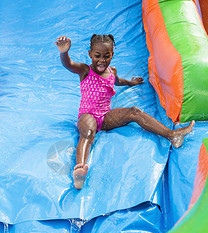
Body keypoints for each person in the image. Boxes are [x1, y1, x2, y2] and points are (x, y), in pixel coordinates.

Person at [55, 34, 195, 190]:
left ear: (112, 55)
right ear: (90, 54)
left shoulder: (111, 71)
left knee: (134, 111)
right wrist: (64, 52)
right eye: (97, 56)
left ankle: (172, 135)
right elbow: (68, 64)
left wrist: (131, 82)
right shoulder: (85, 70)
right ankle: (80, 169)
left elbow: (117, 81)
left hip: (105, 117)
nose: (102, 60)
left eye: (106, 56)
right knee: (88, 133)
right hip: (88, 115)